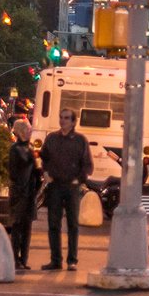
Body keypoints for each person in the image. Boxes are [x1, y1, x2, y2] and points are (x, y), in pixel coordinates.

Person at [40, 109, 93, 271]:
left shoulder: (80, 140)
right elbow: (44, 157)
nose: (63, 121)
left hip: (72, 186)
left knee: (72, 224)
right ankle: (55, 260)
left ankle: (72, 260)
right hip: (55, 185)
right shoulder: (52, 138)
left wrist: (79, 179)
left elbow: (87, 164)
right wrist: (46, 173)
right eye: (61, 117)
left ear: (73, 121)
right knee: (53, 224)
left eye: (66, 118)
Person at [6, 119, 41, 272]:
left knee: (27, 227)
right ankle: (15, 259)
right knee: (17, 226)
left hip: (30, 191)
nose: (30, 131)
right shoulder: (15, 149)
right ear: (20, 131)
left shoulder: (29, 148)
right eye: (27, 129)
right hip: (20, 192)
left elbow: (35, 170)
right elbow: (15, 171)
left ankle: (23, 259)